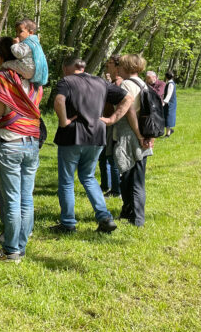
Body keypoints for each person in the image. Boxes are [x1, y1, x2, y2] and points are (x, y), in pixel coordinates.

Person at [51, 56, 134, 234]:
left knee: (66, 181)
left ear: (67, 68)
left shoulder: (66, 81)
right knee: (88, 177)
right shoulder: (100, 82)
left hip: (72, 136)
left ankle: (68, 223)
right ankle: (104, 217)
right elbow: (128, 98)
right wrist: (112, 119)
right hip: (96, 135)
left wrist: (64, 121)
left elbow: (59, 101)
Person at [0, 37, 44, 263]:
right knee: (26, 198)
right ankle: (21, 246)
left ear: (0, 57)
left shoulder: (2, 79)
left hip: (10, 141)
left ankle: (11, 251)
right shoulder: (36, 80)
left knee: (11, 199)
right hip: (32, 141)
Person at [104, 54, 155, 227]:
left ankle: (137, 219)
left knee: (133, 179)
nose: (117, 69)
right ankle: (127, 212)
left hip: (130, 135)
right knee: (129, 177)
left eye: (120, 66)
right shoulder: (143, 83)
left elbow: (130, 111)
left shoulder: (126, 84)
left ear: (125, 67)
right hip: (142, 134)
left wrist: (138, 134)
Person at [99, 55, 123, 196]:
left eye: (110, 63)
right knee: (103, 157)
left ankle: (116, 190)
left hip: (112, 124)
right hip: (105, 123)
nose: (107, 65)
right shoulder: (113, 82)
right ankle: (105, 185)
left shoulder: (120, 83)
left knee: (111, 157)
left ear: (117, 66)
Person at [2, 18, 49, 86]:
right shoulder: (35, 43)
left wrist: (15, 44)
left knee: (6, 64)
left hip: (28, 69)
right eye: (16, 31)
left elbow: (18, 54)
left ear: (30, 33)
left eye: (20, 31)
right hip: (36, 71)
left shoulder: (27, 43)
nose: (17, 34)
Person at [163, 71, 177, 137]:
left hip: (170, 103)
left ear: (166, 77)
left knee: (168, 116)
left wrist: (164, 102)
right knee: (167, 116)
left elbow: (169, 94)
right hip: (170, 102)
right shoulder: (170, 83)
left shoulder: (170, 84)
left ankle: (168, 134)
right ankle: (169, 131)